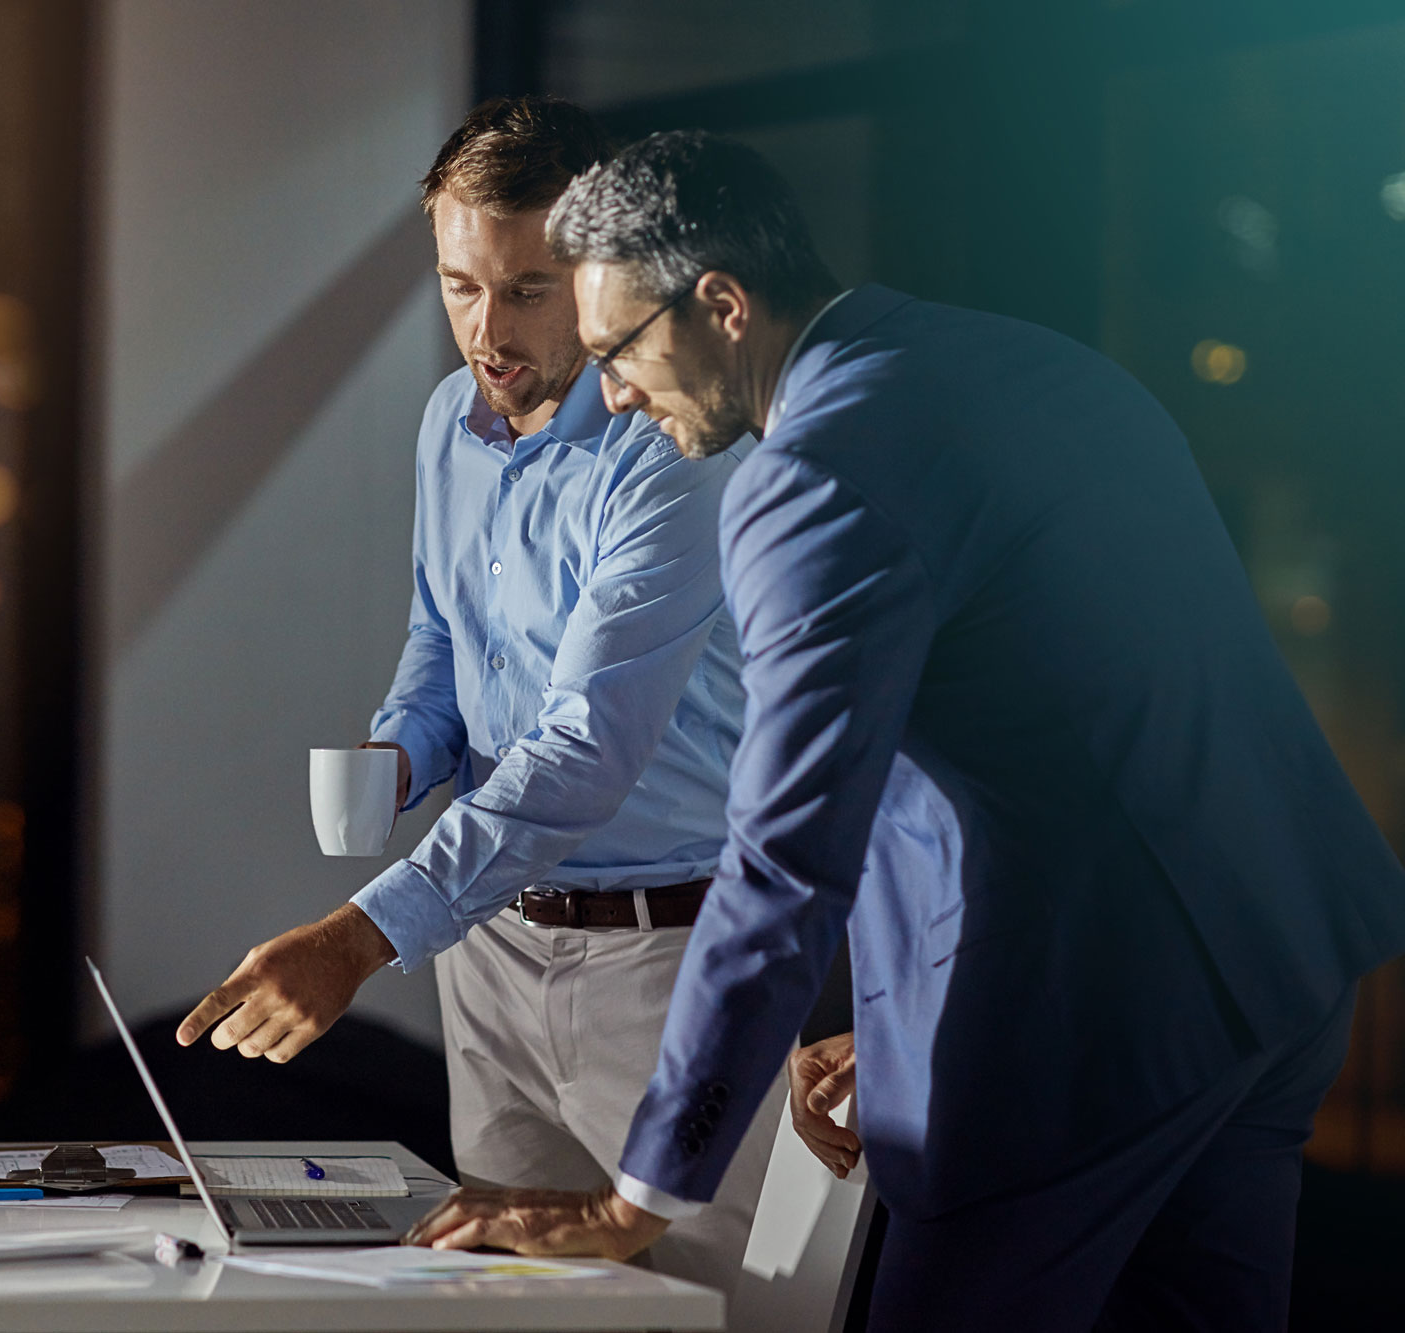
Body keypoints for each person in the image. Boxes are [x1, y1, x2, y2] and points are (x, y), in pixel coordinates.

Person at [404, 130, 1405, 1332]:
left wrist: (633, 1201)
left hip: (1077, 1025)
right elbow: (1059, 718)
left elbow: (786, 858)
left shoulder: (809, 479)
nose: (609, 391)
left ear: (720, 303)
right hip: (1280, 956)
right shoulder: (1028, 365)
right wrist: (892, 1023)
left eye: (616, 348)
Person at [175, 100, 787, 1321]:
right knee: (510, 1298)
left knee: (714, 1307)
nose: (484, 330)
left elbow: (583, 744)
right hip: (492, 947)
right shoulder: (439, 426)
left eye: (526, 291)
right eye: (460, 285)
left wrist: (357, 935)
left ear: (602, 277)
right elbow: (441, 637)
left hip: (664, 959)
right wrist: (404, 752)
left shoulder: (669, 445)